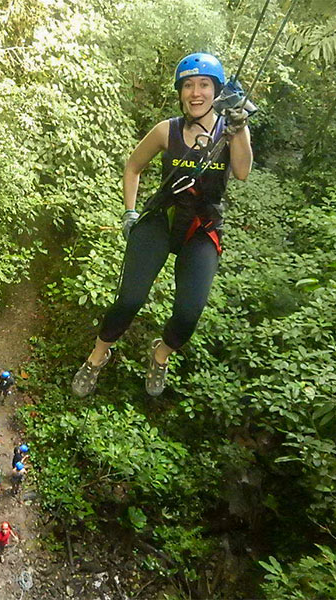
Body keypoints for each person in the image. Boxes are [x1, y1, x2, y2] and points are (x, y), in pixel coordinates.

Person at [71, 52, 252, 398]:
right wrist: (130, 211)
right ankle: (96, 358)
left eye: (203, 85)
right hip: (161, 218)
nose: (195, 93)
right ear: (180, 91)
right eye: (188, 85)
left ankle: (160, 354)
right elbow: (133, 167)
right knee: (128, 300)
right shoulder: (166, 131)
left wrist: (240, 127)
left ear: (216, 90)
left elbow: (242, 171)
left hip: (202, 228)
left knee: (188, 314)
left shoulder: (231, 131)